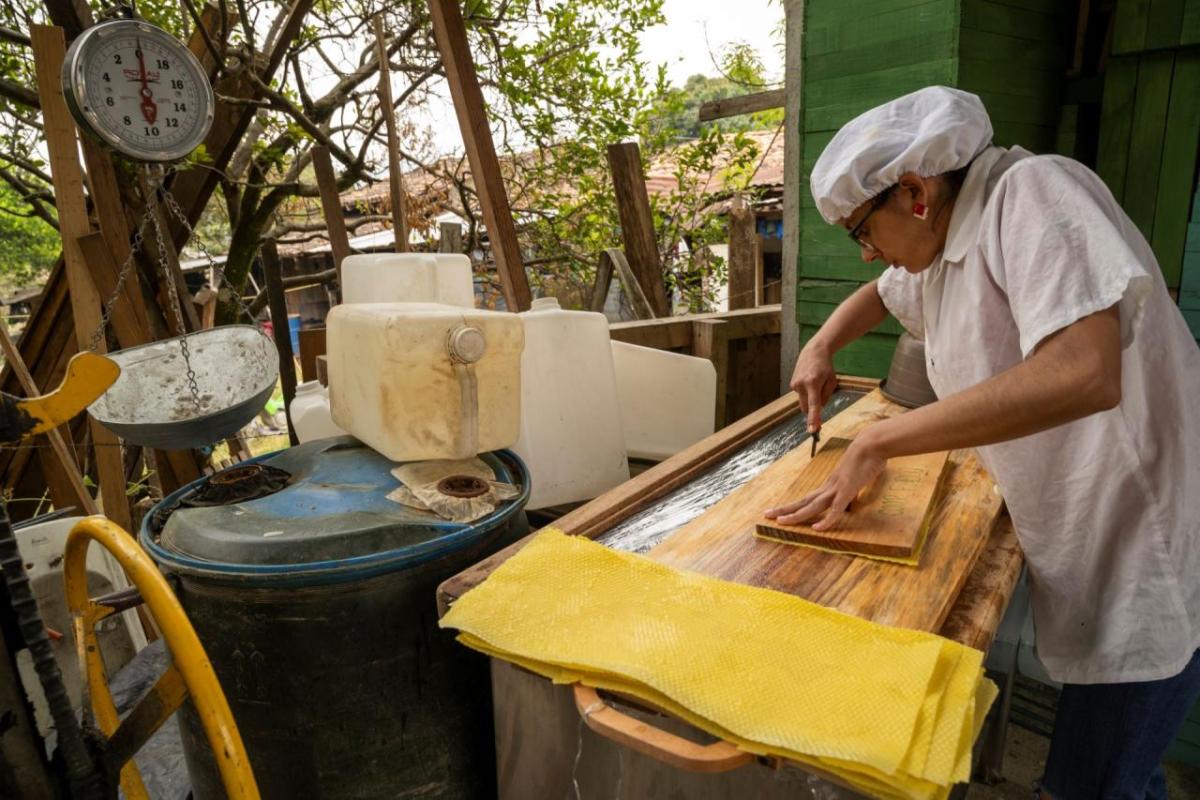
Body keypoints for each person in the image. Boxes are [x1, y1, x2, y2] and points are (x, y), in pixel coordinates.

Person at [765, 86, 1200, 798]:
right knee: (1117, 772)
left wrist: (879, 444)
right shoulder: (941, 246)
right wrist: (819, 346)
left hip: (1149, 533)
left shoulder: (1033, 196)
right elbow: (879, 298)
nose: (869, 256)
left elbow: (1086, 370)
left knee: (1095, 784)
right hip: (1095, 533)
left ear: (913, 192)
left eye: (861, 233)